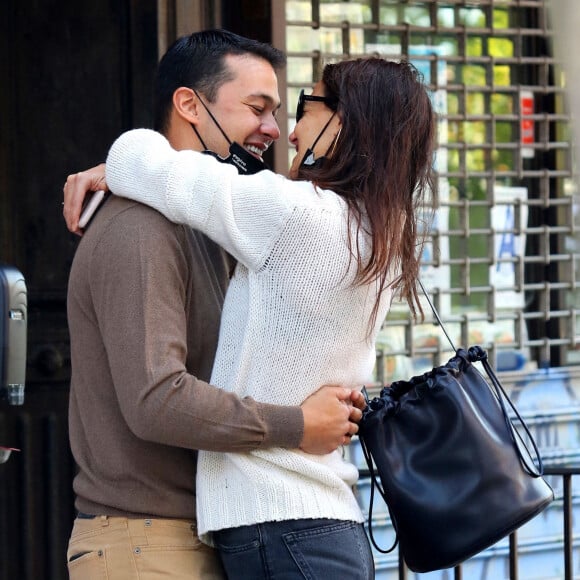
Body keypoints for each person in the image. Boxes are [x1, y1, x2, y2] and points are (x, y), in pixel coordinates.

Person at [67, 55, 436, 578]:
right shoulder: (376, 229)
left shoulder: (294, 214)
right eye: (258, 108)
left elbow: (139, 155)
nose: (284, 129)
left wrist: (112, 169)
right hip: (309, 523)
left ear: (345, 123)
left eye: (303, 107)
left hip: (285, 524)